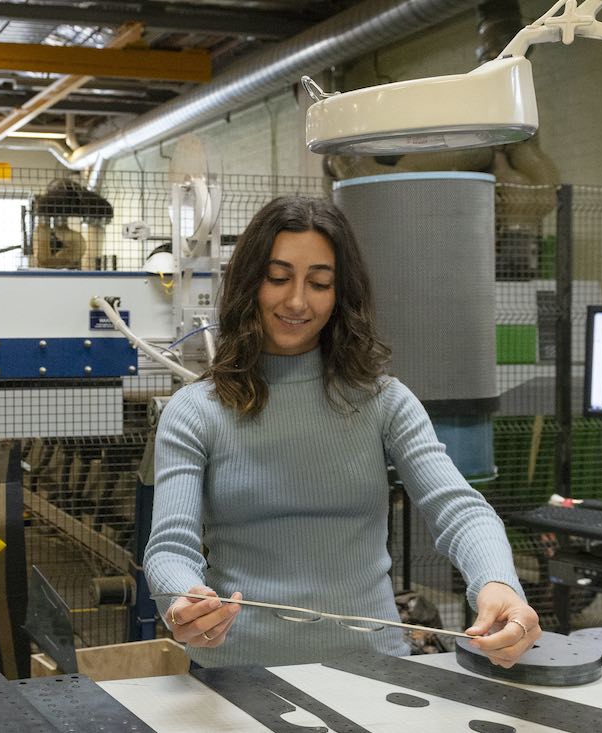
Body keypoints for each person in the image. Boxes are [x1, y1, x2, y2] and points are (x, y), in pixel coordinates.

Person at [144, 196, 541, 670]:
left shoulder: (382, 401)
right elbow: (170, 547)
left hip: (374, 672)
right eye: (278, 278)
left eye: (319, 283)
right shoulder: (196, 411)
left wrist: (498, 583)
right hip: (236, 676)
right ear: (250, 283)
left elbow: (459, 509)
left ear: (340, 294)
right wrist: (183, 602)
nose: (296, 301)